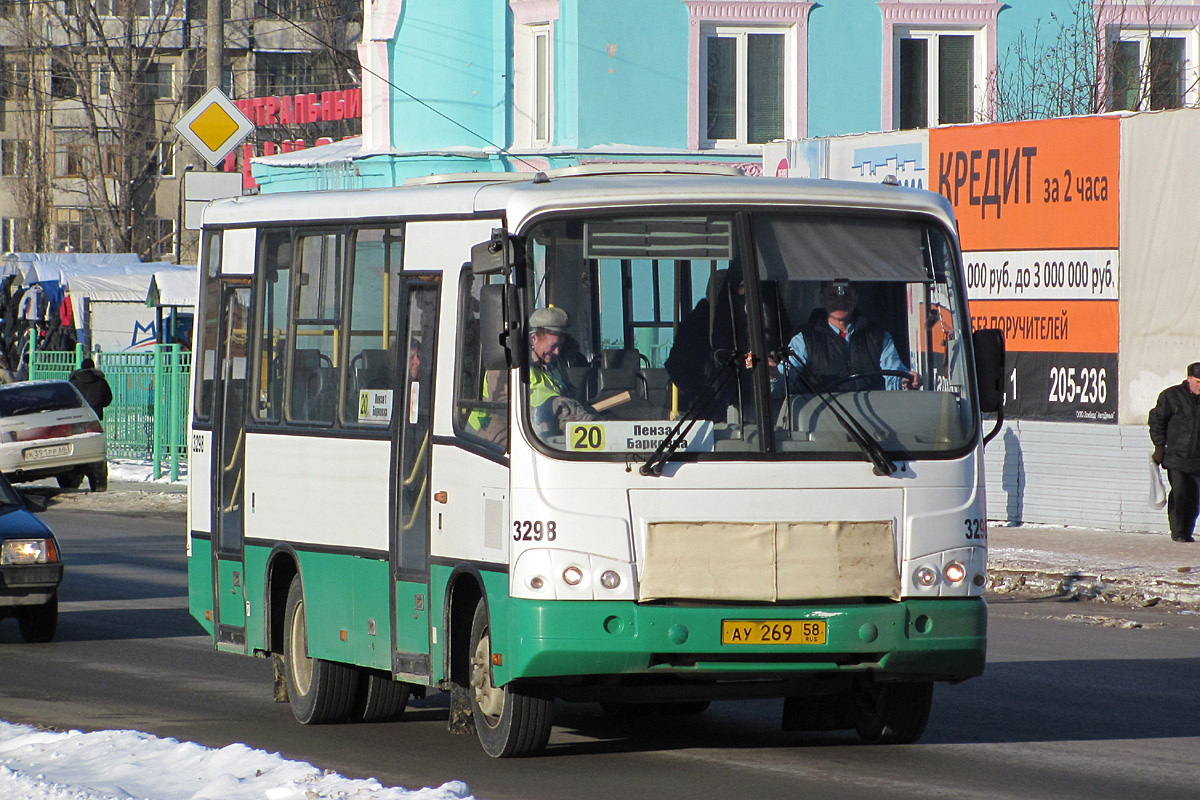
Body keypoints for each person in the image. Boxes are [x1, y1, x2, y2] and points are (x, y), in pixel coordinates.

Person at [777, 279, 919, 393]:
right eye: (833, 295)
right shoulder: (804, 339)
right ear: (822, 299)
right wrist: (773, 377)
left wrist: (905, 382)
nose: (840, 301)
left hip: (873, 420)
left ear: (856, 299)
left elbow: (894, 375)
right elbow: (784, 381)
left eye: (847, 295)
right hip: (823, 423)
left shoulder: (879, 336)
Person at [1148, 362, 1200, 542]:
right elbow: (1157, 421)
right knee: (1179, 492)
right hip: (1175, 456)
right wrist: (1160, 446)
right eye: (1197, 381)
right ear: (1189, 379)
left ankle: (1187, 531)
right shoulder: (1171, 396)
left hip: (1197, 458)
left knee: (1193, 497)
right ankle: (1177, 532)